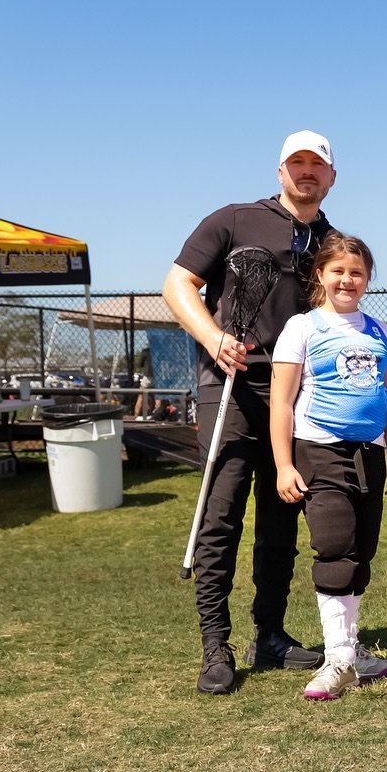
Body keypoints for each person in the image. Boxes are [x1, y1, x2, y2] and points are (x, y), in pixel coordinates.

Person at [163, 129, 337, 695]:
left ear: (331, 177)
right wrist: (213, 338)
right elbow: (177, 284)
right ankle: (216, 642)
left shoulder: (333, 244)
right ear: (280, 171)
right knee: (222, 515)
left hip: (296, 396)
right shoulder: (233, 219)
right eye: (297, 164)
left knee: (283, 512)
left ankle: (271, 633)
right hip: (230, 385)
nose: (306, 173)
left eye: (317, 165)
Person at [269, 233, 387, 700]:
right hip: (318, 449)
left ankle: (350, 651)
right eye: (339, 271)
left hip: (368, 453)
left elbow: (386, 400)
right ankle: (338, 661)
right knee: (333, 546)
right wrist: (283, 464)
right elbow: (282, 403)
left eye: (357, 272)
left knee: (362, 551)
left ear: (368, 279)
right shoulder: (302, 327)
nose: (348, 280)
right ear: (320, 275)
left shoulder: (379, 331)